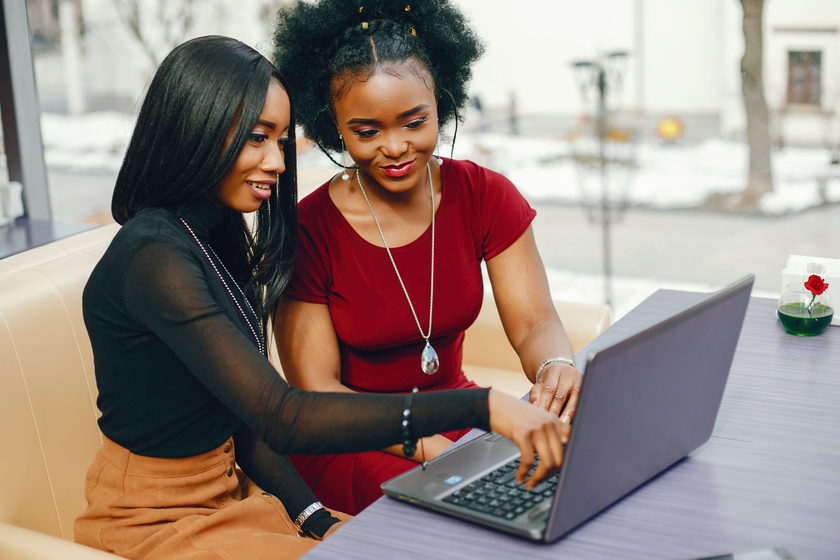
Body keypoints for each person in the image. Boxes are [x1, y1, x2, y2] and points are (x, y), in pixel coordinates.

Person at [74, 35, 568, 560]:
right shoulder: (154, 256)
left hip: (229, 491)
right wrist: (485, 405)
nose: (278, 162)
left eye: (281, 140)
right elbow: (281, 413)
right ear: (195, 129)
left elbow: (239, 416)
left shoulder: (213, 233)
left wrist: (312, 517)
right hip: (154, 515)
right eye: (256, 138)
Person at [271, 0, 583, 516]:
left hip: (458, 414)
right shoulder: (309, 229)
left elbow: (534, 323)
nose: (395, 147)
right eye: (366, 132)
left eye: (414, 121)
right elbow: (317, 393)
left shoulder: (484, 194)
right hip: (356, 440)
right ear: (335, 128)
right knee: (473, 509)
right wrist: (436, 451)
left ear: (442, 101)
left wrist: (555, 366)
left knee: (567, 479)